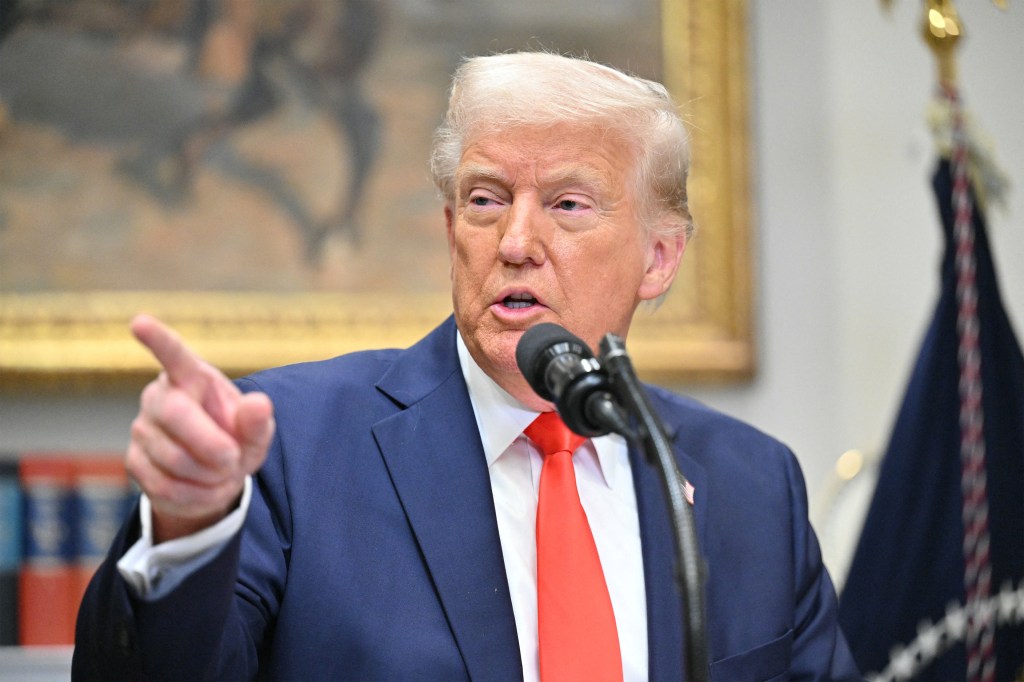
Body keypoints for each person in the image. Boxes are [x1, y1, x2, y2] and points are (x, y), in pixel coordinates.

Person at [73, 51, 859, 680]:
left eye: (567, 204)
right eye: (486, 200)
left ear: (659, 257)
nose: (514, 241)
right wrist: (186, 529)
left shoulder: (754, 486)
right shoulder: (291, 448)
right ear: (452, 228)